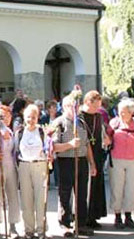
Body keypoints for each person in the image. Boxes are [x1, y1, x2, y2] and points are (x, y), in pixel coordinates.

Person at [50, 94, 96, 237]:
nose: (74, 109)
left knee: (81, 193)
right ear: (64, 107)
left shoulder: (81, 123)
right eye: (71, 106)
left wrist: (92, 163)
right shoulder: (59, 123)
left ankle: (80, 223)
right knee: (65, 193)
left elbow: (87, 144)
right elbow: (53, 146)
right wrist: (69, 145)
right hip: (66, 161)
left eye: (76, 106)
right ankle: (64, 223)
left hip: (81, 160)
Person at [108, 99, 134, 229]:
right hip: (116, 160)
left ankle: (129, 216)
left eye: (124, 112)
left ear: (131, 112)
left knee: (131, 188)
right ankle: (117, 216)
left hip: (133, 161)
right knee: (116, 187)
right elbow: (107, 140)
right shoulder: (114, 123)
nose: (121, 114)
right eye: (120, 112)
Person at [15, 105, 51, 239]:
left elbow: (49, 148)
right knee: (26, 199)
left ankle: (41, 229)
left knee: (40, 199)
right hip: (24, 166)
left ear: (38, 117)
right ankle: (28, 230)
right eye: (28, 117)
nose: (31, 120)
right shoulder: (19, 132)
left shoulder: (43, 132)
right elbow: (14, 150)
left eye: (34, 117)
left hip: (39, 165)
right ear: (24, 118)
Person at [0, 106, 21, 239]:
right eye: (3, 116)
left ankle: (13, 225)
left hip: (11, 166)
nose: (6, 119)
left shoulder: (12, 132)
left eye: (8, 116)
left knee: (13, 195)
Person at [81, 91, 109, 229]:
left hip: (97, 153)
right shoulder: (80, 117)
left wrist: (106, 138)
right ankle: (83, 217)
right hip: (83, 155)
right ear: (87, 102)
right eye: (95, 105)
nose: (97, 108)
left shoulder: (98, 117)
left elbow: (102, 132)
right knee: (85, 188)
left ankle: (93, 217)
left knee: (96, 187)